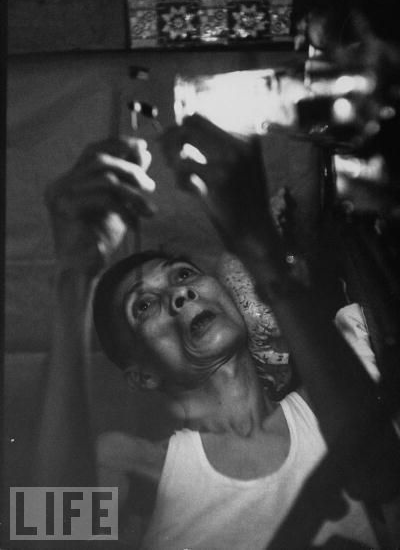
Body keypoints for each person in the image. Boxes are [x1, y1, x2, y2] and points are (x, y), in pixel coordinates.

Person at [37, 115, 400, 548]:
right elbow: (50, 536)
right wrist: (73, 279)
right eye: (145, 305)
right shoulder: (134, 461)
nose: (179, 295)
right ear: (141, 375)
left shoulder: (327, 406)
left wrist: (258, 244)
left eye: (184, 274)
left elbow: (385, 480)